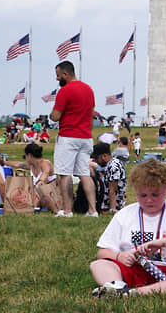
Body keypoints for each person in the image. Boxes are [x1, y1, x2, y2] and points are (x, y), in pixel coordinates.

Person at [89, 159, 166, 298]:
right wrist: (119, 256)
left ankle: (131, 293)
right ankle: (118, 285)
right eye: (143, 195)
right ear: (135, 191)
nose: (149, 200)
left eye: (155, 194)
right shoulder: (125, 214)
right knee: (98, 265)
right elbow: (102, 252)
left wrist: (164, 242)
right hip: (134, 268)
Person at [50, 60, 98, 218]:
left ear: (65, 74)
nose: (57, 79)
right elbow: (91, 115)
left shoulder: (65, 91)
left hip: (68, 136)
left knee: (65, 174)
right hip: (85, 136)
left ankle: (67, 210)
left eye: (58, 75)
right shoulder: (89, 89)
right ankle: (92, 210)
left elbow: (56, 116)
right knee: (85, 173)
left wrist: (51, 115)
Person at [7, 143, 57, 209]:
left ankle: (30, 207)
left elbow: (45, 173)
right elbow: (17, 164)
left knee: (35, 194)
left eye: (25, 156)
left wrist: (36, 186)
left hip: (51, 195)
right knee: (21, 177)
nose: (25, 159)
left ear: (29, 155)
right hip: (38, 194)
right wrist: (2, 162)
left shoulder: (45, 163)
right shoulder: (32, 166)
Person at [91, 142, 127, 213]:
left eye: (96, 158)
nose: (95, 161)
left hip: (106, 205)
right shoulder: (110, 164)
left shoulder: (114, 167)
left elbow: (112, 190)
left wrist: (112, 209)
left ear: (104, 156)